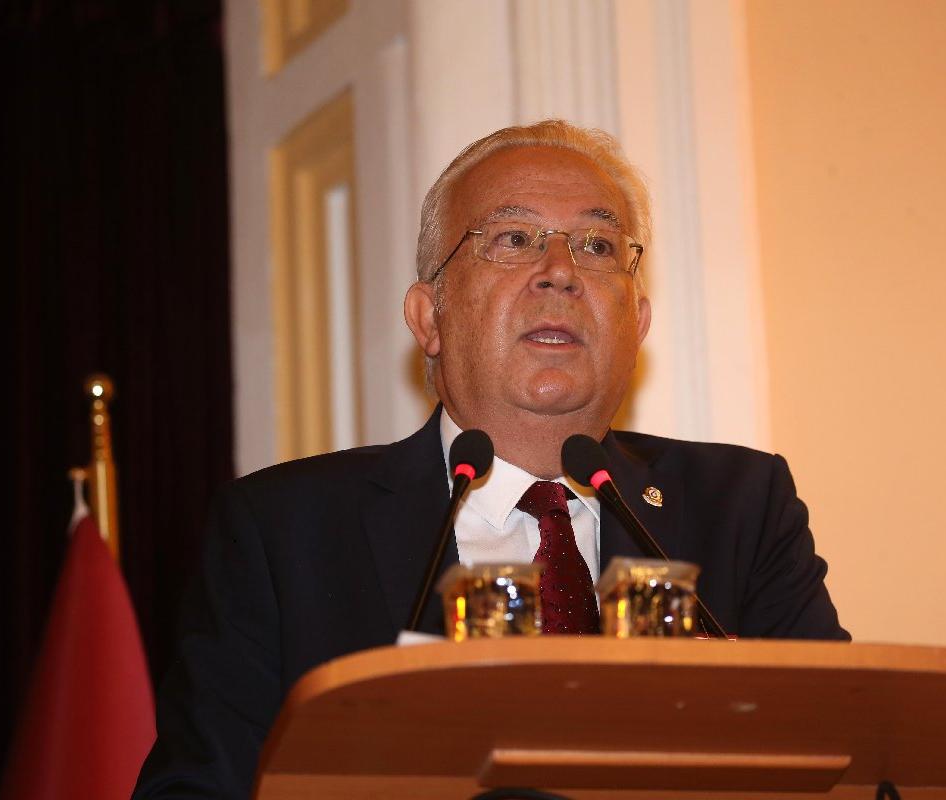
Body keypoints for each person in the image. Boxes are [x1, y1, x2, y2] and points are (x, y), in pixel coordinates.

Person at [133, 119, 848, 799]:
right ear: (429, 317)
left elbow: (844, 765)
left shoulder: (741, 508)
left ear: (637, 322)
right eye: (514, 239)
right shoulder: (285, 530)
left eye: (598, 245)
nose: (560, 272)